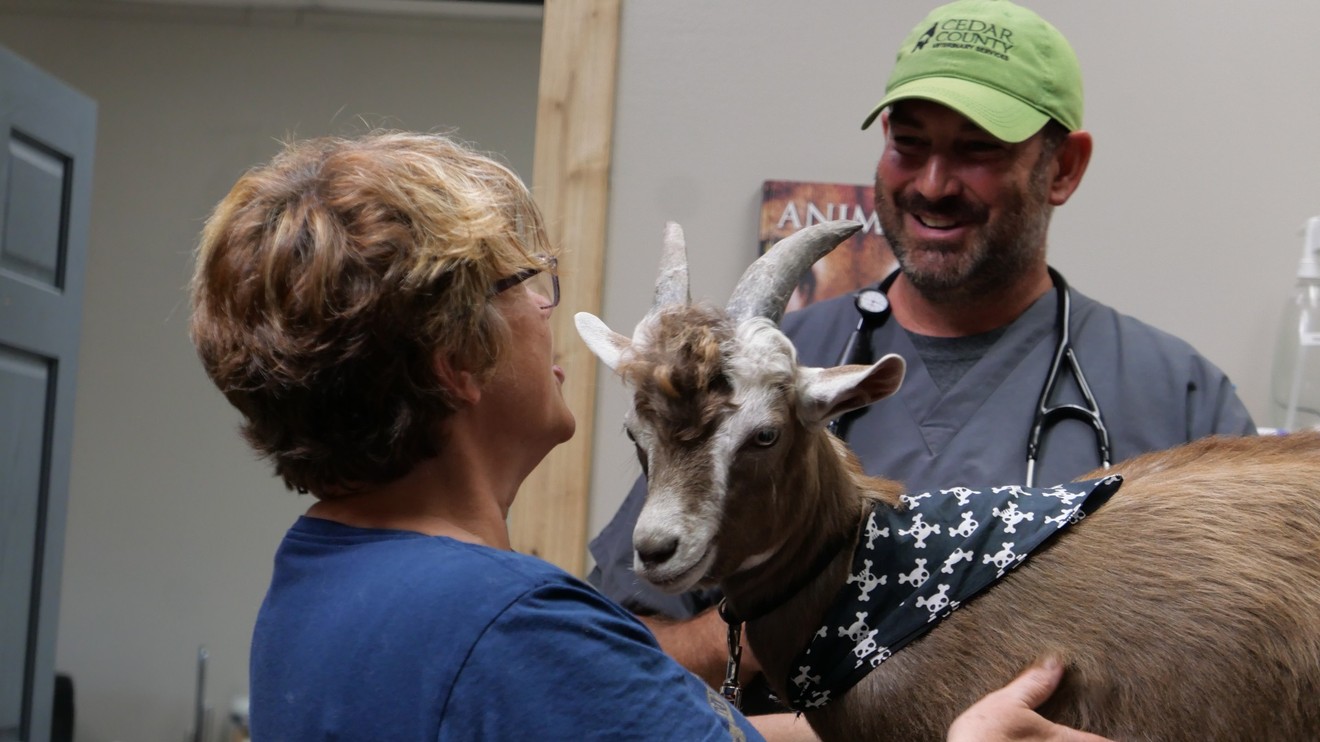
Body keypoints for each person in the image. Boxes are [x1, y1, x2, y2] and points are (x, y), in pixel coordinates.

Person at [188, 131, 1109, 741]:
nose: (547, 307)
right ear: (455, 361)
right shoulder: (518, 633)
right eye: (523, 283)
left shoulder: (319, 581)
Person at [589, 0, 1257, 694]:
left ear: (1063, 168)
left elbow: (1256, 661)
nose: (933, 185)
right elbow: (613, 654)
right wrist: (789, 613)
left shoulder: (1177, 396)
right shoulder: (755, 377)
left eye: (978, 150)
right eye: (909, 145)